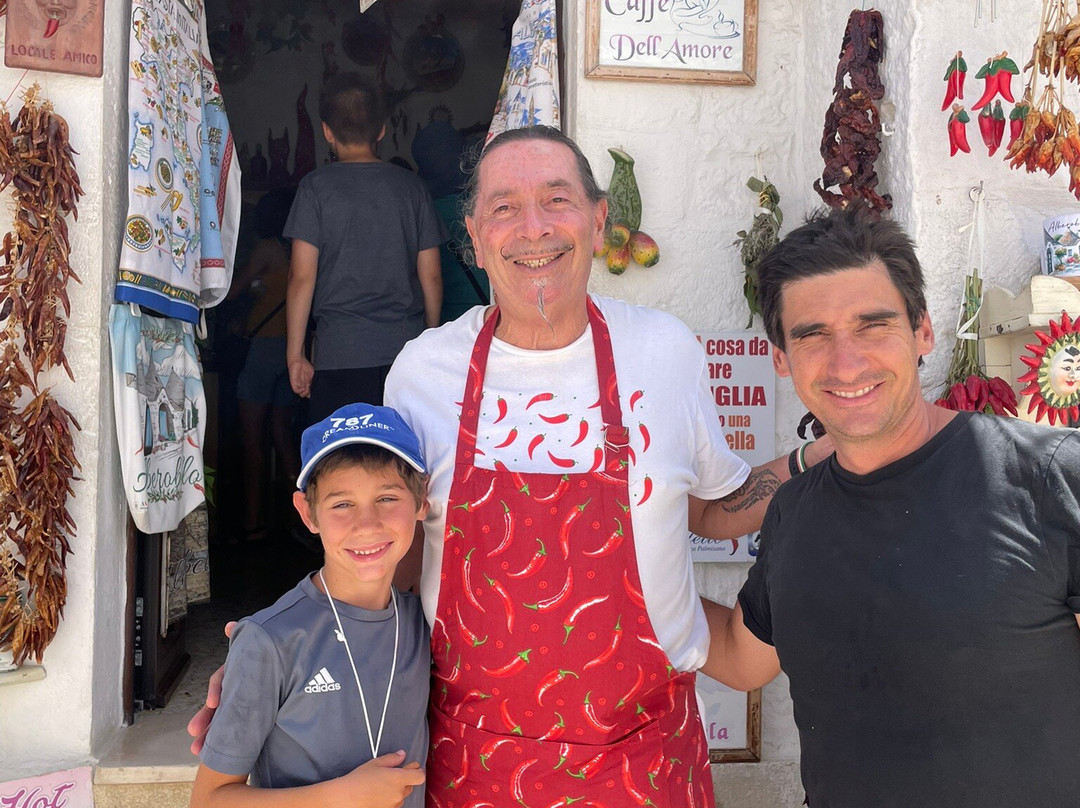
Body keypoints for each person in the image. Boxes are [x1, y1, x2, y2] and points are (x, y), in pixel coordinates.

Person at [191, 125, 831, 805]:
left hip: (644, 763)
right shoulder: (423, 373)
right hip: (476, 768)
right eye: (504, 207)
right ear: (473, 236)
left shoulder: (664, 352)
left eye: (557, 199)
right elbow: (394, 553)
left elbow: (710, 509)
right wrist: (282, 651)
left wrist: (827, 454)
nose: (533, 228)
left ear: (598, 219)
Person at [698, 207, 1080, 807]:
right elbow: (740, 658)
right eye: (813, 335)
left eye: (873, 326)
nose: (846, 363)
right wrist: (612, 577)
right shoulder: (793, 514)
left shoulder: (1048, 477)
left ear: (923, 330)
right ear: (781, 358)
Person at [189, 403, 430, 808]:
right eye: (342, 504)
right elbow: (208, 800)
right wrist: (341, 796)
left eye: (387, 497)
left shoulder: (426, 625)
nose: (367, 524)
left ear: (422, 500)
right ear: (308, 512)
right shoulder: (270, 642)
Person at [284, 72, 445, 422]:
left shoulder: (315, 188)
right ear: (382, 130)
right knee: (403, 451)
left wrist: (295, 354)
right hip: (405, 352)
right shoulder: (412, 188)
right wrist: (428, 338)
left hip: (339, 354)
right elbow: (431, 276)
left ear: (327, 131)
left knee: (343, 452)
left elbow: (301, 277)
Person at [227, 187, 301, 542]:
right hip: (290, 349)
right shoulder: (295, 251)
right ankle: (302, 521)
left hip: (263, 351)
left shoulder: (266, 250)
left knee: (252, 439)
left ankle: (253, 521)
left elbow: (231, 290)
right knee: (283, 436)